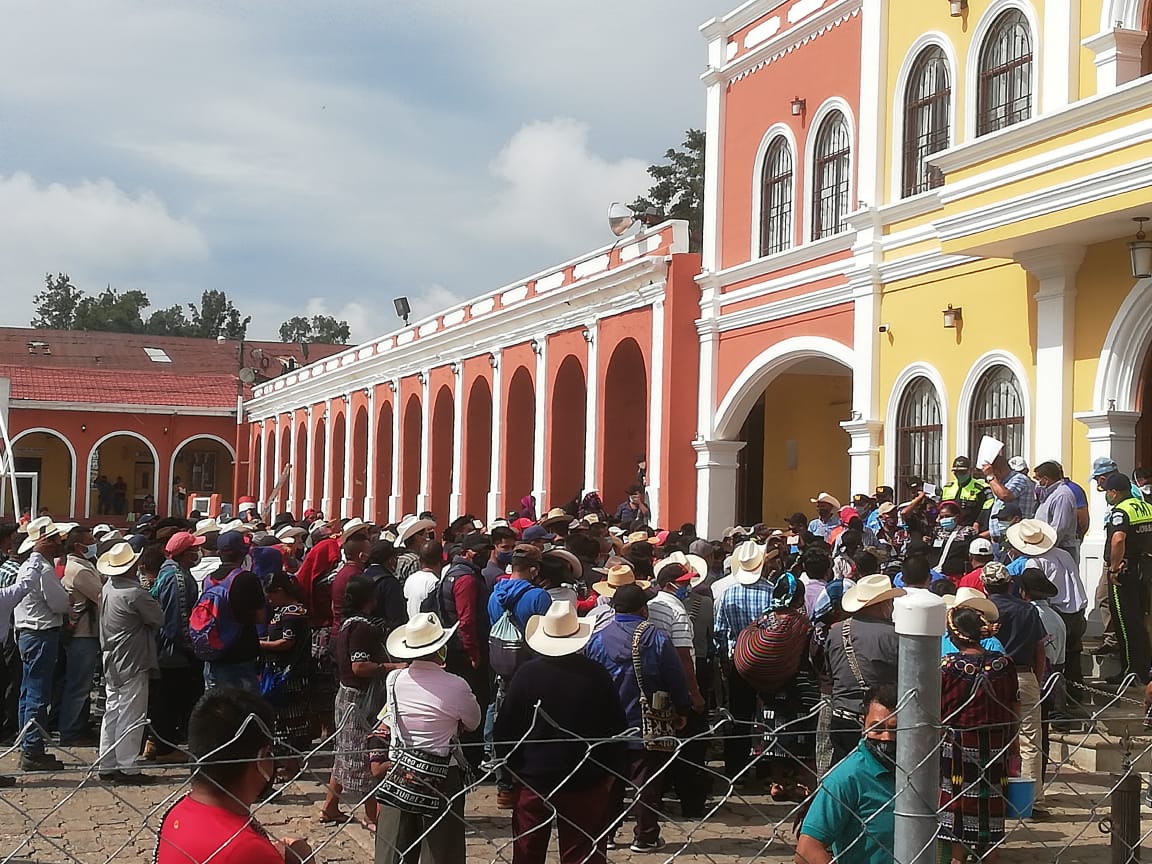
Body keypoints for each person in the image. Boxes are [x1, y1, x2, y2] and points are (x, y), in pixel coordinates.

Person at [495, 601, 626, 864]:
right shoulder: (596, 675)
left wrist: (511, 769)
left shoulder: (526, 675)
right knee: (582, 852)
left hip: (534, 777)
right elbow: (616, 728)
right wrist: (610, 773)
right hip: (586, 777)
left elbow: (505, 727)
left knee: (527, 850)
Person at [585, 583, 690, 853]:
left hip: (606, 723)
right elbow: (675, 677)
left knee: (609, 781)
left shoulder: (596, 638)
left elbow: (589, 679)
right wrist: (682, 709)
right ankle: (645, 835)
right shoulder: (655, 637)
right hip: (646, 722)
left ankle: (605, 834)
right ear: (643, 609)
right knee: (646, 782)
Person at [157, 687, 313, 864]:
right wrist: (302, 859)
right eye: (271, 752)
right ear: (261, 759)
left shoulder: (177, 812)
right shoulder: (248, 850)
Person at [372, 612, 482, 864]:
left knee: (394, 850)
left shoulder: (394, 680)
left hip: (400, 771)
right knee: (442, 851)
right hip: (443, 773)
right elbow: (473, 722)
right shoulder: (457, 685)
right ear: (440, 647)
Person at [938, 607, 1019, 863]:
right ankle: (990, 854)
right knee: (992, 805)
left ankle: (958, 858)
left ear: (956, 635)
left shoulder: (948, 666)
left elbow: (937, 708)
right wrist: (1013, 740)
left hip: (956, 746)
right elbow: (1014, 706)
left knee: (958, 807)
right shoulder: (1003, 664)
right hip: (996, 745)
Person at [796, 684, 899, 864]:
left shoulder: (922, 771)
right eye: (877, 728)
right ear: (862, 725)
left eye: (895, 729)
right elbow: (807, 850)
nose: (886, 738)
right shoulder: (846, 777)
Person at [322, 574, 392, 829]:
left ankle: (330, 807)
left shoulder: (346, 624)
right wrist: (390, 666)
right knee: (364, 756)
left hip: (346, 694)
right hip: (359, 700)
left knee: (345, 753)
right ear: (370, 599)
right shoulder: (362, 628)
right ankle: (372, 815)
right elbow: (360, 666)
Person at [982, 557, 1048, 816]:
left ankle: (989, 796)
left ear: (985, 586)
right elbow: (1040, 648)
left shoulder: (982, 611)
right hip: (1024, 675)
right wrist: (1038, 679)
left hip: (989, 679)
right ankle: (1032, 802)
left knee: (990, 736)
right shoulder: (1028, 610)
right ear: (1009, 584)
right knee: (1031, 741)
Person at [97, 541, 164, 784]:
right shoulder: (135, 594)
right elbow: (158, 618)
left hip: (112, 656)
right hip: (132, 658)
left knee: (113, 711)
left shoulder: (108, 588)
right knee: (132, 713)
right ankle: (127, 766)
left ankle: (108, 762)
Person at [427, 532, 493, 769]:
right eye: (480, 551)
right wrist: (473, 654)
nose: (486, 555)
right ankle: (472, 762)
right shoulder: (466, 579)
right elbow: (466, 620)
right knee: (474, 703)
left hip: (455, 648)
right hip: (464, 652)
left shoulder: (453, 573)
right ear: (467, 552)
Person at [713, 541, 778, 779]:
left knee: (738, 717)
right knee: (767, 716)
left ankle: (735, 769)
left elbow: (720, 633)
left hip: (738, 662)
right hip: (768, 663)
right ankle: (765, 768)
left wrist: (724, 661)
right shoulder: (772, 592)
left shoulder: (728, 594)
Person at [824, 574, 904, 765]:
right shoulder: (895, 635)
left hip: (842, 717)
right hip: (881, 723)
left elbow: (829, 672)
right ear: (883, 604)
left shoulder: (835, 632)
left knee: (845, 773)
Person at [1004, 519, 1087, 703]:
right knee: (1072, 657)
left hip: (1054, 611)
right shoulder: (1063, 554)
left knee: (1051, 662)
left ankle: (1058, 706)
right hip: (1077, 611)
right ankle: (1074, 699)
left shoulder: (1034, 563)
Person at [12, 517, 71, 770]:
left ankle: (28, 743)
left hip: (28, 633)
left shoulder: (28, 566)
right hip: (41, 633)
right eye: (56, 539)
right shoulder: (44, 570)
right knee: (37, 693)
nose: (60, 543)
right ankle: (33, 748)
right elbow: (59, 604)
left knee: (28, 692)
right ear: (46, 541)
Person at [145, 530, 206, 762]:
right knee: (171, 697)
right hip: (174, 649)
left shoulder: (170, 571)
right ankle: (164, 747)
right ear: (184, 553)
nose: (197, 553)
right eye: (193, 550)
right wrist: (188, 644)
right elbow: (176, 616)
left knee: (167, 697)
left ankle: (158, 742)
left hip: (168, 645)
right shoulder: (176, 578)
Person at [1101, 473, 1152, 685]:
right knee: (1143, 621)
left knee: (1125, 622)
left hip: (1126, 572)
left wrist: (1114, 568)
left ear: (1114, 492)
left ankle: (1131, 672)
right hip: (1146, 569)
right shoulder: (1146, 507)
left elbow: (1119, 539)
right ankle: (1145, 667)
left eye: (1107, 492)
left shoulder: (1121, 512)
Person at [201, 531, 267, 693]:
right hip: (241, 653)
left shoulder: (208, 579)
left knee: (217, 708)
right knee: (243, 707)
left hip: (214, 651)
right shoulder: (248, 579)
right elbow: (260, 617)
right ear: (242, 553)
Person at [259, 571, 312, 770]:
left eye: (271, 595)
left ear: (280, 591)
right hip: (279, 671)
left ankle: (292, 765)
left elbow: (286, 642)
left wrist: (259, 645)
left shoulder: (292, 613)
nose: (269, 600)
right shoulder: (284, 611)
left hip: (291, 675)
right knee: (282, 721)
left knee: (291, 722)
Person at [59, 525, 103, 746]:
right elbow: (101, 596)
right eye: (91, 539)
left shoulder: (80, 565)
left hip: (85, 633)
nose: (94, 543)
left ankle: (78, 727)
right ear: (79, 545)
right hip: (83, 634)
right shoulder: (79, 570)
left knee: (81, 685)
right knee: (79, 686)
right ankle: (70, 732)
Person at [365, 540, 407, 637]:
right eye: (395, 557)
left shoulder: (362, 576)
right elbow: (397, 619)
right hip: (386, 639)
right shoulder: (390, 583)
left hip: (366, 634)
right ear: (390, 560)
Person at [941, 456, 991, 529]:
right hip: (948, 529)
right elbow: (941, 509)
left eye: (962, 472)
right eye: (956, 472)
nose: (958, 474)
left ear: (970, 470)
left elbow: (986, 510)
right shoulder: (947, 487)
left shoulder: (981, 488)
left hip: (969, 529)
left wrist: (978, 523)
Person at [404, 539, 443, 619]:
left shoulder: (410, 579)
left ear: (420, 560)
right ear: (441, 560)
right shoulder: (434, 583)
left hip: (411, 627)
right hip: (429, 629)